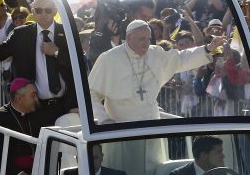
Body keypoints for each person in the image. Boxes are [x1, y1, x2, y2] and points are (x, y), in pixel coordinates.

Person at [0, 0, 76, 125]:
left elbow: (80, 66)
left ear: (55, 11)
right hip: (34, 107)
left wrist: (57, 52)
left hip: (66, 105)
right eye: (39, 10)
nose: (43, 14)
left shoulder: (68, 32)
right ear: (32, 11)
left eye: (48, 10)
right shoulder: (21, 34)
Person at [88, 20, 223, 123]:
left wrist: (208, 48)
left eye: (148, 38)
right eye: (141, 39)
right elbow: (92, 93)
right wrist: (104, 119)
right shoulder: (110, 58)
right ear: (129, 38)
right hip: (120, 127)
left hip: (151, 122)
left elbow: (181, 59)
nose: (146, 43)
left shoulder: (155, 53)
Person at [62, 143, 128, 175]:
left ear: (102, 157)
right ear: (77, 160)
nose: (91, 162)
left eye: (95, 158)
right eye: (87, 158)